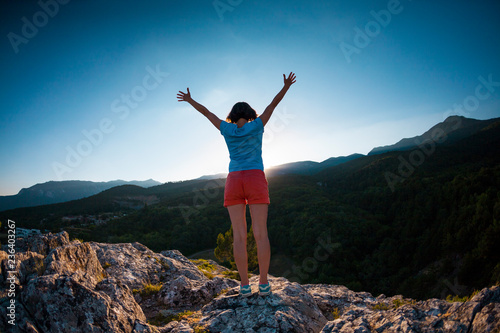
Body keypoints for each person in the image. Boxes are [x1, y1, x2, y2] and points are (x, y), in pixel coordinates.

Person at [177, 72, 297, 297]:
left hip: (233, 180)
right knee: (261, 234)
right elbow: (273, 104)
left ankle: (243, 286)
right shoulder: (258, 125)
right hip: (255, 178)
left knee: (239, 236)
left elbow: (207, 113)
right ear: (251, 114)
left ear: (232, 115)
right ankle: (263, 284)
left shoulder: (227, 129)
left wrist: (190, 100)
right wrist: (286, 86)